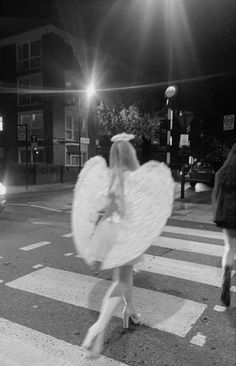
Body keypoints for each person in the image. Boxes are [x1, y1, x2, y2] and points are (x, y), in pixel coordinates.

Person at [72, 132, 174, 358]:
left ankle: (131, 312)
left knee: (126, 278)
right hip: (122, 233)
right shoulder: (133, 178)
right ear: (130, 154)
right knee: (122, 282)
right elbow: (138, 206)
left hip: (106, 231)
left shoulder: (109, 177)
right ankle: (97, 327)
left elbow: (98, 204)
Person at [212, 143, 236, 307]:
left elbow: (215, 197)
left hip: (227, 217)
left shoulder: (221, 173)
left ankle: (226, 276)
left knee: (229, 248)